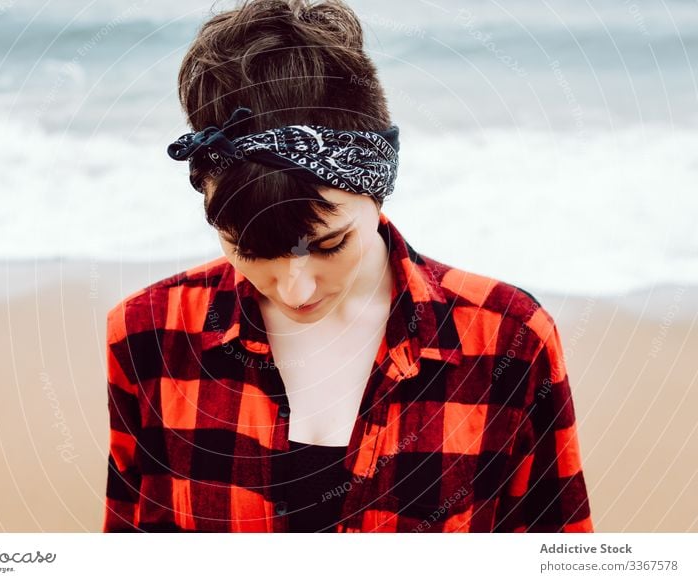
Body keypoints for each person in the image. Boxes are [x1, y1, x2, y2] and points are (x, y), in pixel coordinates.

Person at [102, 0, 593, 533]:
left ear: (378, 189)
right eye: (250, 249)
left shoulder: (509, 339)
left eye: (329, 244)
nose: (294, 288)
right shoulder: (147, 333)